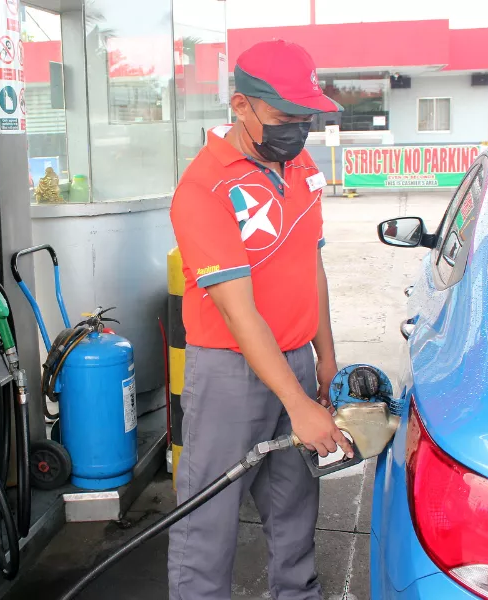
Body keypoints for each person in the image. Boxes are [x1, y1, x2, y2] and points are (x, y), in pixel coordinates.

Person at [168, 40, 354, 600]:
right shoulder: (203, 188)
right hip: (229, 374)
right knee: (209, 519)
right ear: (240, 105)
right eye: (283, 117)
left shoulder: (300, 166)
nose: (297, 130)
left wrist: (325, 355)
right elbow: (237, 309)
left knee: (295, 504)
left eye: (305, 117)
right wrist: (298, 406)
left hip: (296, 360)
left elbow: (310, 261)